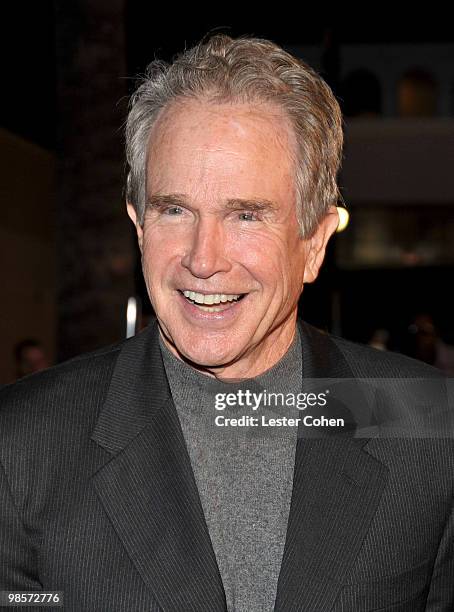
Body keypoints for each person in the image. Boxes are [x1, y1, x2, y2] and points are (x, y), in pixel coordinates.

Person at [0, 34, 453, 612]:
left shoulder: (426, 425)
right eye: (173, 210)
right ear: (138, 225)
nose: (203, 258)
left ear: (313, 243)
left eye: (245, 215)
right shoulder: (22, 444)